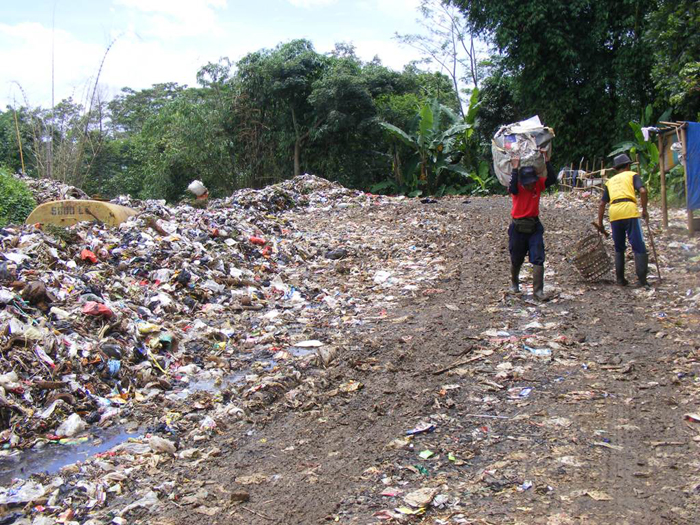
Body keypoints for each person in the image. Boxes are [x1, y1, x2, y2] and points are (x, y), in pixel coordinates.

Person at [508, 153, 558, 299]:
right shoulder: (516, 187)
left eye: (532, 182)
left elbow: (552, 179)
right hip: (518, 228)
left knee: (538, 258)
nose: (530, 185)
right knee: (516, 258)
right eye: (527, 183)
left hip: (534, 226)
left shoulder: (538, 184)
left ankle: (538, 291)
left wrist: (547, 161)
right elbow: (511, 186)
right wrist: (515, 168)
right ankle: (514, 284)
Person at [596, 153, 649, 287]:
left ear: (615, 168)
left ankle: (620, 279)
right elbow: (642, 191)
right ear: (628, 165)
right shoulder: (632, 175)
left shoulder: (610, 181)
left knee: (619, 248)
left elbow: (602, 204)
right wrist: (644, 210)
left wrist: (600, 223)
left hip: (614, 213)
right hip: (629, 210)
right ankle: (642, 280)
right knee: (638, 245)